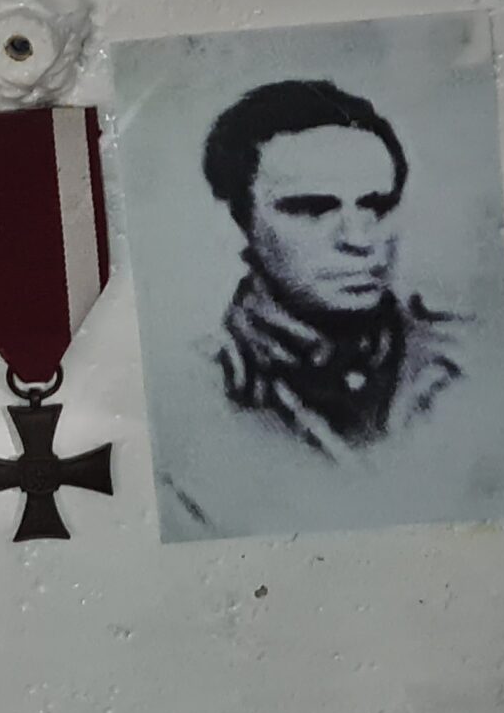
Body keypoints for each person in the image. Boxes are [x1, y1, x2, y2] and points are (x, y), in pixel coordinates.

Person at [200, 78, 467, 457]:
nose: (359, 239)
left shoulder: (465, 361)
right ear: (241, 222)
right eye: (312, 209)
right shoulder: (202, 387)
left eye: (377, 206)